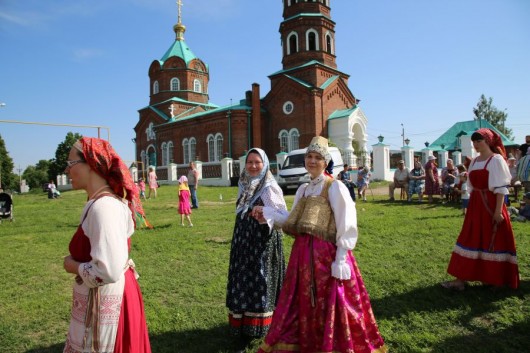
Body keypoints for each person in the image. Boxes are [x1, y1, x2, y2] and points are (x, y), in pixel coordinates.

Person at [256, 136, 387, 353]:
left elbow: (347, 222)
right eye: (309, 156)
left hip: (327, 258)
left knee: (331, 303)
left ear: (326, 162)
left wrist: (341, 259)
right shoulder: (304, 190)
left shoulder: (334, 187)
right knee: (305, 302)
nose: (312, 161)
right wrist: (268, 214)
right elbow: (294, 222)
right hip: (302, 258)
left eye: (318, 157)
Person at [62, 137, 151, 353]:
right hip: (112, 296)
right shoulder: (102, 203)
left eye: (71, 163)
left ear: (91, 164)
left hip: (111, 300)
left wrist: (71, 265)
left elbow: (108, 271)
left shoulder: (105, 208)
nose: (66, 170)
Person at [442, 128, 519, 291]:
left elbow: (500, 189)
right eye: (474, 142)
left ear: (488, 141)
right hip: (476, 206)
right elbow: (471, 185)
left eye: (479, 141)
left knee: (493, 241)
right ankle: (460, 279)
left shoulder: (496, 160)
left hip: (491, 206)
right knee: (469, 238)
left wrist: (498, 212)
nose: (476, 144)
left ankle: (495, 278)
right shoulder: (475, 162)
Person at [226, 148, 287, 351]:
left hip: (262, 244)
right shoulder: (245, 184)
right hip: (243, 243)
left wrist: (264, 211)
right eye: (250, 162)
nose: (253, 166)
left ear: (265, 164)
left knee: (259, 282)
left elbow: (283, 216)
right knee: (241, 281)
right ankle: (242, 327)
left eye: (257, 162)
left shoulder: (269, 187)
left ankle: (258, 329)